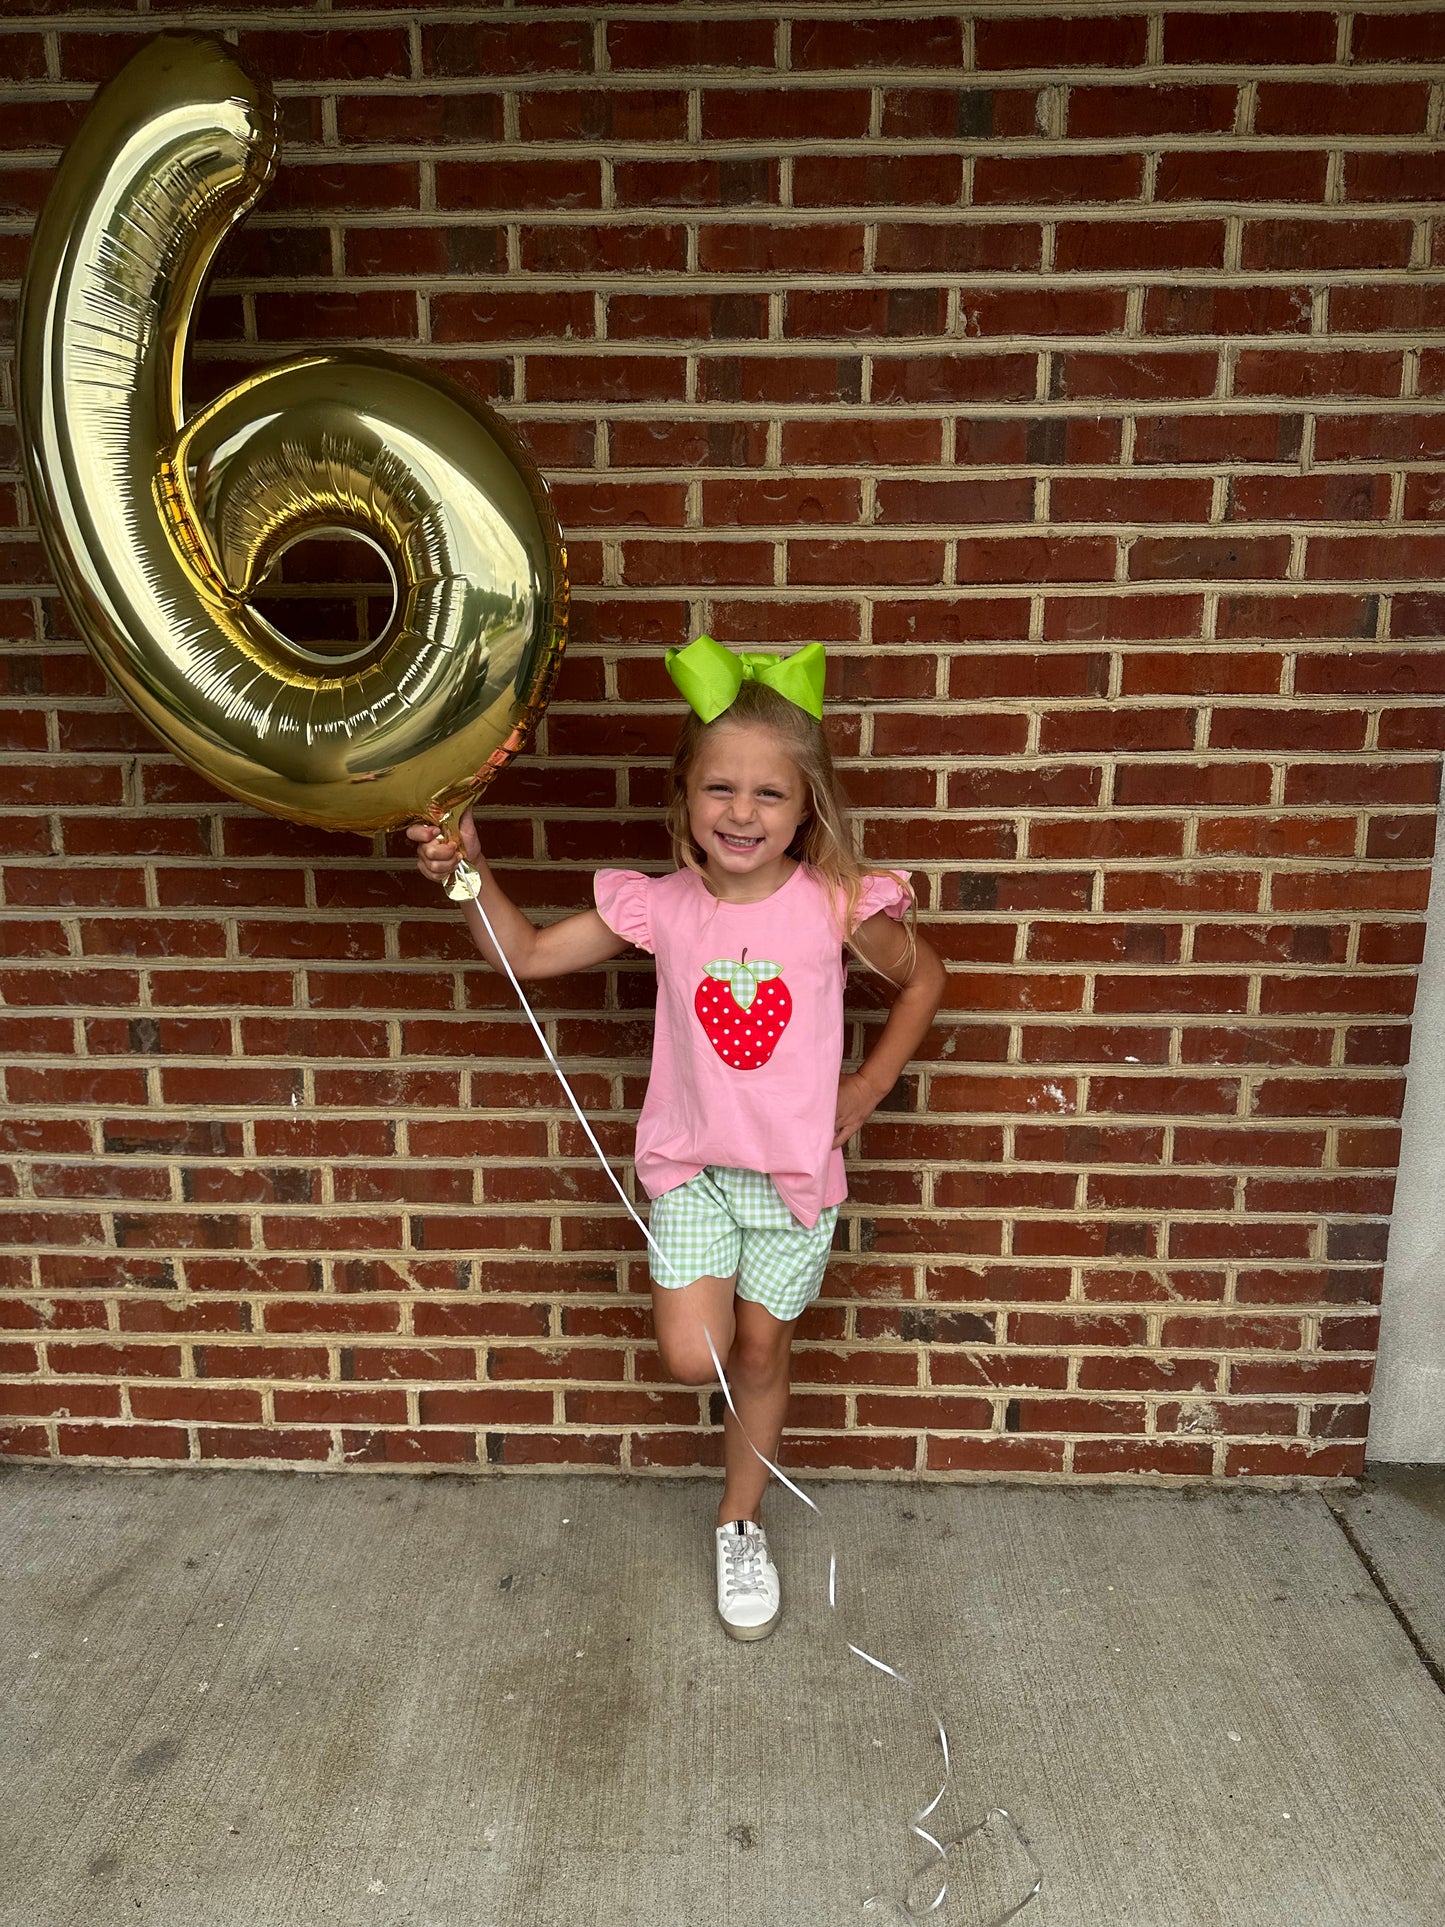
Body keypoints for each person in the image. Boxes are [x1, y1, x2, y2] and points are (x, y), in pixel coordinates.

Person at [409, 636, 946, 1641]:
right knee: (692, 1356)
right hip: (694, 1175)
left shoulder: (834, 904)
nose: (741, 813)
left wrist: (868, 1082)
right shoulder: (660, 905)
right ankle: (735, 1477)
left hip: (792, 1181)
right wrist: (467, 866)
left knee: (757, 1346)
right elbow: (526, 955)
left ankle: (737, 1518)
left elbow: (925, 980)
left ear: (805, 807)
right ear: (686, 796)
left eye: (767, 795)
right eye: (719, 789)